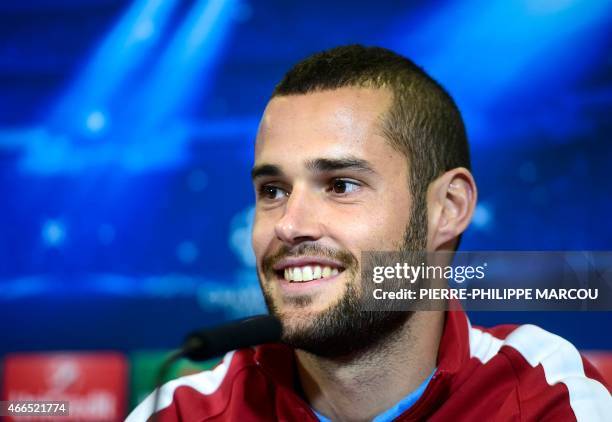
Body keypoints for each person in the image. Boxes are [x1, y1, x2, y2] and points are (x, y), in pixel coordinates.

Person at [127, 45, 611, 421]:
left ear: (448, 208)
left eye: (340, 185)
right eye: (272, 191)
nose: (290, 225)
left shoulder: (547, 398)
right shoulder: (179, 413)